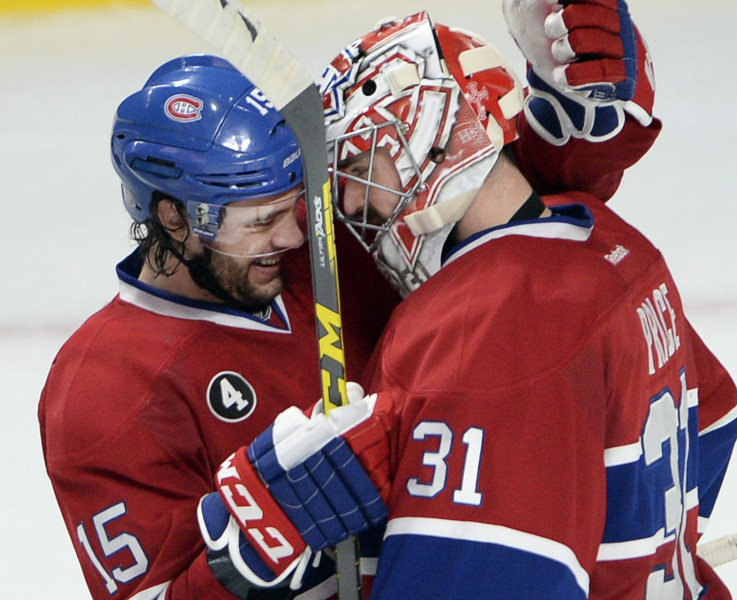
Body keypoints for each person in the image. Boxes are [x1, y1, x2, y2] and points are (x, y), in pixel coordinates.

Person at [39, 3, 668, 598]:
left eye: (293, 206)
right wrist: (264, 537)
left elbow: (494, 212)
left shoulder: (317, 249)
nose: (291, 238)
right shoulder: (101, 393)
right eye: (260, 223)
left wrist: (578, 123)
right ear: (175, 219)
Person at [200, 4, 737, 600]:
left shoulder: (477, 331)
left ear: (436, 130)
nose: (348, 203)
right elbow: (713, 419)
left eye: (357, 161)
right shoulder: (620, 248)